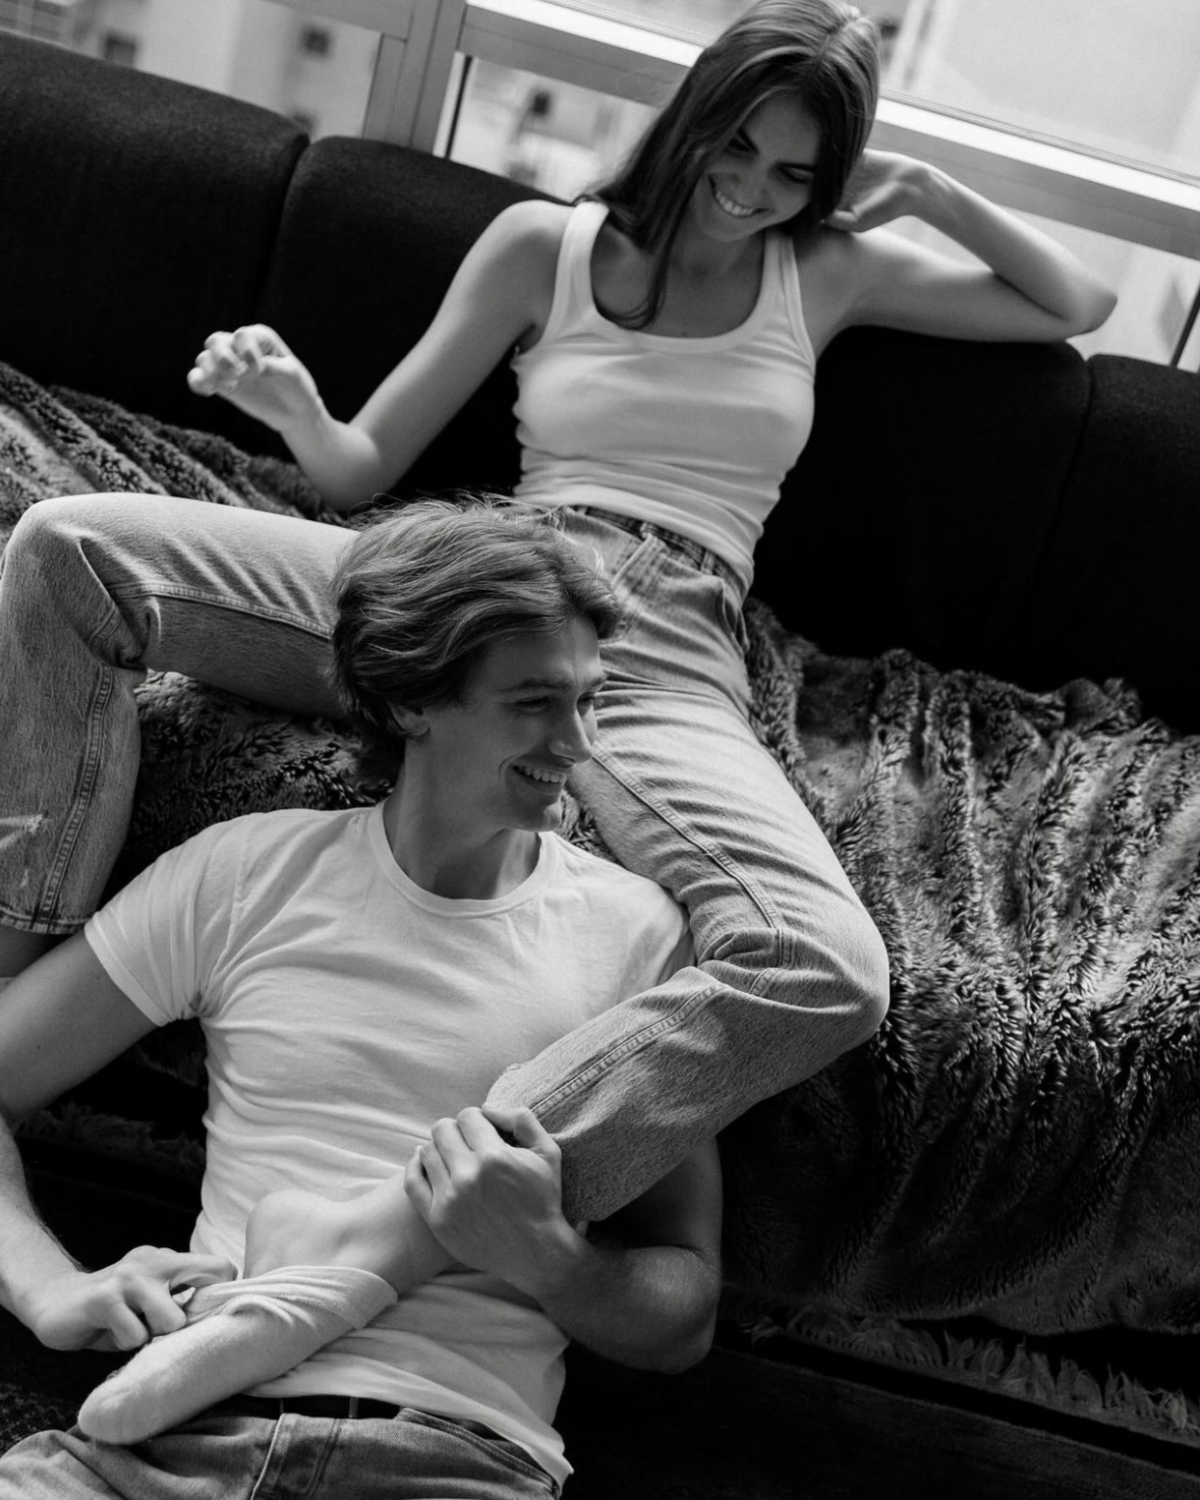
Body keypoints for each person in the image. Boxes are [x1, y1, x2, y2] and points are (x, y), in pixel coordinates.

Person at [0, 0, 1115, 1234]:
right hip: (483, 574)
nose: (751, 190)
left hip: (666, 642)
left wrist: (925, 189)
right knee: (69, 549)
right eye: (739, 146)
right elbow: (363, 465)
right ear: (695, 117)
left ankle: (423, 1214)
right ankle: (9, 1008)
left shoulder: (827, 272)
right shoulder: (546, 246)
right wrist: (296, 406)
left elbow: (1076, 300)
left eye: (796, 173)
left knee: (827, 967)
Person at [0, 499, 723, 1496]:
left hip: (449, 1459)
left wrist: (552, 1259)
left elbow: (683, 1312)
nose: (579, 744)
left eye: (588, 700)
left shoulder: (638, 935)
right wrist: (49, 1290)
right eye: (533, 703)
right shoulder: (244, 876)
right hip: (167, 1432)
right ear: (411, 703)